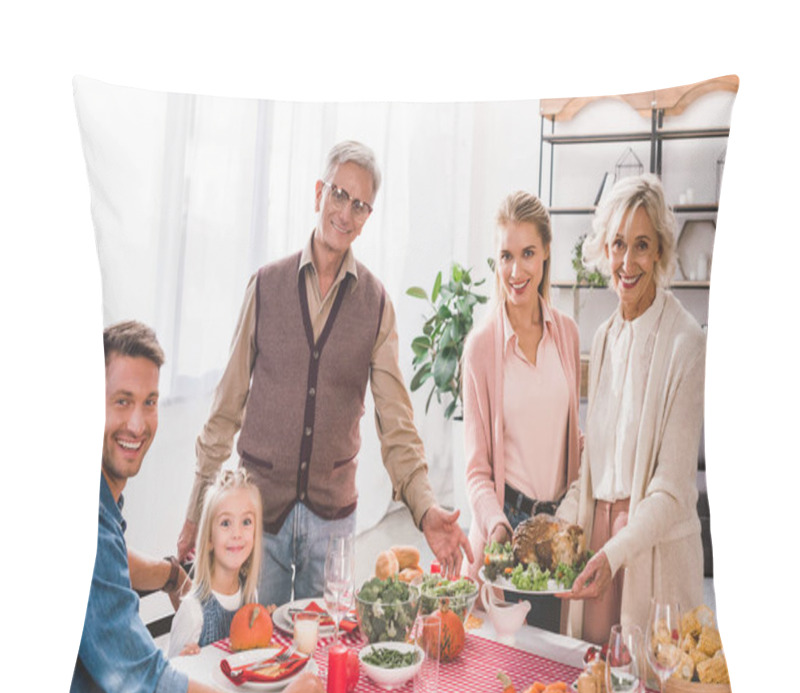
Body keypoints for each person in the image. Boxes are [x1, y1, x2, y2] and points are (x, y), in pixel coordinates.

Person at [176, 140, 473, 604]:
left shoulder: (376, 304)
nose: (345, 213)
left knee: (322, 657)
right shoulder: (266, 286)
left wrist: (426, 508)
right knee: (255, 653)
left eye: (360, 205)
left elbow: (397, 425)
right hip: (258, 513)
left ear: (368, 216)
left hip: (331, 524)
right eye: (338, 195)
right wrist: (197, 510)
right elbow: (225, 407)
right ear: (318, 194)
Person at [62, 321, 326, 693]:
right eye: (121, 401)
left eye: (149, 402)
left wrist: (169, 574)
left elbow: (108, 559)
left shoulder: (95, 498)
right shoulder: (85, 523)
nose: (137, 423)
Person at [555, 173, 705, 645]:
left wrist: (614, 551)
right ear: (604, 248)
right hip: (597, 540)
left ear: (660, 251)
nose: (627, 260)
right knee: (591, 691)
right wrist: (556, 527)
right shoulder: (602, 338)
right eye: (618, 244)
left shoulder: (688, 342)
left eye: (641, 245)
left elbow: (673, 488)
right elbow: (591, 469)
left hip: (650, 552)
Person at [462, 190, 582, 632]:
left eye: (528, 253)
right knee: (504, 669)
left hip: (558, 531)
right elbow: (476, 471)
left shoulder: (567, 335)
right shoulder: (480, 350)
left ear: (546, 252)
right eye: (506, 256)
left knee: (550, 662)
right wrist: (496, 528)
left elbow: (573, 439)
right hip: (505, 530)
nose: (516, 271)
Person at [168, 468, 271, 657]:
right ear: (208, 539)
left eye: (246, 522)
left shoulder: (249, 595)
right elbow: (168, 680)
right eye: (225, 523)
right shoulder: (193, 613)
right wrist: (183, 662)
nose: (237, 533)